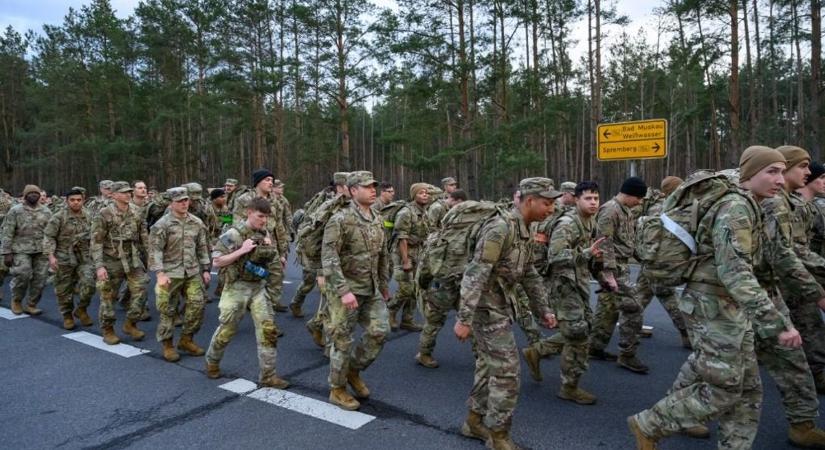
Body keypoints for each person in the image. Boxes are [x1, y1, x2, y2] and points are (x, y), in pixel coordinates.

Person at [628, 146, 803, 450]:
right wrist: (777, 323)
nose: (779, 178)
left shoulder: (750, 204)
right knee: (725, 388)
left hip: (729, 305)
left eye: (781, 171)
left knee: (748, 389)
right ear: (750, 174)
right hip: (714, 306)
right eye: (771, 171)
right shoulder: (736, 208)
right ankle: (650, 423)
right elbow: (736, 272)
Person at [453, 177, 558, 449]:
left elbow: (530, 273)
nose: (551, 209)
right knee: (507, 372)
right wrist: (464, 319)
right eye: (547, 203)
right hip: (485, 309)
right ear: (530, 200)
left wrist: (543, 309)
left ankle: (474, 422)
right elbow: (475, 274)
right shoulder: (500, 228)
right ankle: (498, 436)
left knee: (489, 366)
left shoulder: (526, 229)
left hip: (500, 305)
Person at [322, 171, 390, 411]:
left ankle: (353, 370)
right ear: (352, 191)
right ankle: (337, 389)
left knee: (380, 331)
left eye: (374, 186)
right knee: (342, 340)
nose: (373, 190)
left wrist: (383, 284)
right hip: (346, 290)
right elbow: (329, 257)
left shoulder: (377, 218)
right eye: (367, 186)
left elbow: (382, 255)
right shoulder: (340, 219)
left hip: (370, 288)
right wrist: (343, 291)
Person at [204, 197, 289, 388]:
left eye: (266, 217)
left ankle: (268, 375)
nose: (264, 220)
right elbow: (216, 261)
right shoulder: (234, 234)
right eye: (260, 216)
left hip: (258, 287)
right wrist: (241, 250)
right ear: (249, 213)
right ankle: (212, 362)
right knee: (227, 329)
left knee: (268, 330)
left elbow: (270, 260)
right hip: (236, 287)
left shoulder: (264, 232)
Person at [540, 181, 610, 404]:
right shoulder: (568, 223)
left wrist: (602, 277)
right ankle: (569, 386)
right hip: (563, 285)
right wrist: (588, 252)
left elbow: (588, 258)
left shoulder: (589, 221)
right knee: (578, 334)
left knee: (581, 328)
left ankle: (538, 351)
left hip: (577, 283)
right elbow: (556, 256)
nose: (593, 202)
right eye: (588, 198)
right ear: (577, 199)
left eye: (596, 198)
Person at [590, 176, 649, 374]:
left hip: (621, 265)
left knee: (608, 308)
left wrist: (643, 259)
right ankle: (627, 355)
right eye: (638, 198)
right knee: (633, 308)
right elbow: (604, 242)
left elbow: (627, 241)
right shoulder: (610, 210)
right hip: (613, 268)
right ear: (630, 194)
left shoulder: (626, 210)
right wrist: (608, 274)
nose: (640, 202)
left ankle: (594, 347)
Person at [149, 187, 212, 362]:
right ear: (171, 203)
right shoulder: (162, 225)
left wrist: (206, 269)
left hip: (191, 271)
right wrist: (160, 273)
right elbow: (155, 251)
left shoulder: (196, 222)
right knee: (167, 310)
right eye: (180, 201)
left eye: (186, 200)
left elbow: (202, 247)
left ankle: (186, 339)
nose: (184, 203)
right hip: (170, 273)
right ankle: (167, 345)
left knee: (198, 304)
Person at [633, 176, 691, 348]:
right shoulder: (662, 207)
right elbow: (654, 236)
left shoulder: (668, 204)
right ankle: (687, 333)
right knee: (668, 298)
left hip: (652, 262)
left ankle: (630, 328)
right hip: (657, 262)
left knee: (639, 297)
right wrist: (651, 259)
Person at [91, 181, 150, 345]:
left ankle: (130, 324)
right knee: (108, 296)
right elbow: (96, 242)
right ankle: (108, 330)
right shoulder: (104, 213)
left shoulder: (137, 211)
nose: (128, 194)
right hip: (111, 259)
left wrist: (151, 257)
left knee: (141, 290)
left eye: (129, 191)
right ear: (114, 195)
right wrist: (99, 266)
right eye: (123, 192)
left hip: (132, 258)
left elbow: (144, 236)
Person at [290, 172, 349, 321]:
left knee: (329, 289)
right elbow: (311, 227)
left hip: (328, 250)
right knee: (309, 283)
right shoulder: (327, 202)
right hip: (315, 249)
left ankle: (320, 323)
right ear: (340, 187)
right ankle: (298, 303)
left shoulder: (344, 202)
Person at [233, 169, 289, 314]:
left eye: (272, 180)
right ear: (258, 182)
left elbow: (279, 226)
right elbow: (237, 224)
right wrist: (245, 247)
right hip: (252, 246)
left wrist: (283, 251)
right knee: (252, 280)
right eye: (267, 180)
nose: (270, 183)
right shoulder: (244, 199)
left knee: (276, 278)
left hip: (271, 246)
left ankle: (267, 315)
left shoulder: (275, 200)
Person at [43, 187, 95, 329]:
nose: (76, 203)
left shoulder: (89, 215)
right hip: (63, 256)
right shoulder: (59, 217)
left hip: (84, 256)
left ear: (83, 200)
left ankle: (81, 309)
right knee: (64, 289)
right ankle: (67, 315)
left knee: (89, 284)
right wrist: (51, 256)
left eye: (79, 200)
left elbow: (95, 236)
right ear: (67, 201)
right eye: (72, 200)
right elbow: (49, 236)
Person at [1, 184, 52, 315]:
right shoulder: (15, 211)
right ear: (25, 196)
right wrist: (6, 252)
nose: (34, 195)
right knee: (22, 274)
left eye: (36, 193)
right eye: (30, 193)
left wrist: (52, 252)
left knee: (41, 279)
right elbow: (7, 232)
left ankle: (31, 303)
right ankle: (17, 300)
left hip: (41, 251)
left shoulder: (46, 211)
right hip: (20, 250)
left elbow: (51, 233)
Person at [388, 183, 430, 331]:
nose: (425, 195)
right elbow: (401, 238)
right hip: (403, 253)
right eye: (421, 193)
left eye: (426, 193)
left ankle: (407, 319)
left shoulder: (424, 211)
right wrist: (405, 261)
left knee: (415, 289)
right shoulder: (406, 212)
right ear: (414, 195)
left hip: (418, 253)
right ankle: (390, 311)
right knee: (406, 288)